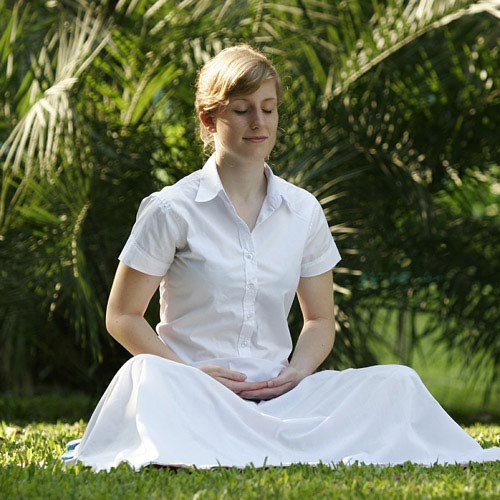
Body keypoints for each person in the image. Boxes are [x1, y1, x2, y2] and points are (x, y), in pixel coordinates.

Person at [65, 45, 500, 471]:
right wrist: (192, 376)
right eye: (242, 110)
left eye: (268, 109)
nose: (259, 122)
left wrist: (297, 372)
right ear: (208, 119)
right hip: (191, 392)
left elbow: (320, 320)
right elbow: (122, 316)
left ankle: (242, 439)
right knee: (145, 375)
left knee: (398, 381)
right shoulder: (170, 209)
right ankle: (215, 436)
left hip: (282, 398)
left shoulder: (303, 210)